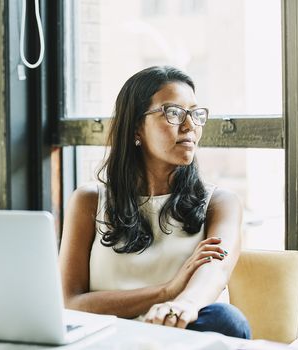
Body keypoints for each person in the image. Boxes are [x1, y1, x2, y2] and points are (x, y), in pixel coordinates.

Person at [59, 65, 251, 339]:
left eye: (196, 114)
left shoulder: (219, 203)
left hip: (178, 336)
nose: (190, 125)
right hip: (109, 342)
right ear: (137, 126)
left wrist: (183, 303)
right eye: (173, 112)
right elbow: (69, 304)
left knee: (225, 320)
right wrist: (167, 291)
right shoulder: (89, 201)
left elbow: (215, 271)